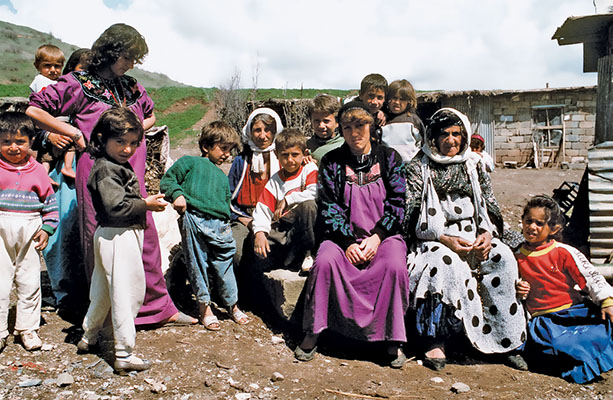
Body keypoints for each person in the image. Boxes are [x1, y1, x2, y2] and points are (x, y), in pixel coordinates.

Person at [26, 23, 194, 327]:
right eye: (127, 57)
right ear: (111, 53)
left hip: (134, 174)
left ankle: (159, 309)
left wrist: (137, 132)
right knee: (101, 241)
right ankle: (108, 313)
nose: (131, 65)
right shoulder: (78, 83)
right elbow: (35, 110)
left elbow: (150, 112)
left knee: (146, 240)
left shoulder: (131, 86)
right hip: (98, 174)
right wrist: (74, 131)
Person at [404, 108, 526, 371]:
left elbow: (490, 206)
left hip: (474, 235)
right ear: (433, 138)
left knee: (501, 257)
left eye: (456, 134)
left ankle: (506, 339)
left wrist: (486, 234)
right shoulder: (417, 167)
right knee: (444, 263)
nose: (451, 140)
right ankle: (436, 340)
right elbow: (410, 215)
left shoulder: (474, 165)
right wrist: (444, 239)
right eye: (444, 134)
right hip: (434, 238)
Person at [296, 101, 409, 368]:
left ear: (371, 126)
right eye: (347, 127)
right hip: (342, 238)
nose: (354, 132)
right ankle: (314, 331)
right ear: (341, 130)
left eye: (360, 125)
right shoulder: (332, 162)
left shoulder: (390, 158)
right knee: (323, 263)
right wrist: (347, 242)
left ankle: (392, 339)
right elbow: (329, 206)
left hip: (384, 237)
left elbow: (398, 202)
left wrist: (378, 236)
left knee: (394, 266)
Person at [77, 107, 167, 374]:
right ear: (102, 139)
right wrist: (145, 204)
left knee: (103, 291)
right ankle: (124, 353)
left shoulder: (113, 166)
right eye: (119, 142)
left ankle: (88, 337)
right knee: (127, 293)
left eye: (132, 143)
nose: (127, 149)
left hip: (114, 235)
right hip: (118, 235)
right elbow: (115, 207)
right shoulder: (107, 170)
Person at [159, 121, 250, 331]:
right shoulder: (189, 163)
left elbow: (225, 204)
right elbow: (168, 181)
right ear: (206, 147)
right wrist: (178, 195)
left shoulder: (221, 176)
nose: (227, 154)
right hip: (195, 219)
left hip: (220, 225)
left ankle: (232, 304)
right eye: (223, 148)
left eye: (229, 150)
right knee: (197, 264)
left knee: (224, 265)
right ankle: (204, 308)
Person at [516, 195, 613, 383]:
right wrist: (520, 288)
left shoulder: (563, 252)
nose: (532, 227)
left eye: (539, 223)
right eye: (528, 221)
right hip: (544, 321)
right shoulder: (517, 255)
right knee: (556, 344)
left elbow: (589, 276)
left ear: (554, 229)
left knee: (602, 328)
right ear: (522, 221)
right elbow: (513, 283)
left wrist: (606, 301)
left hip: (572, 313)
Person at [0, 112, 58, 351]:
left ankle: (27, 328)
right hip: (2, 225)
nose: (13, 147)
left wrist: (47, 229)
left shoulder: (38, 171)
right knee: (0, 281)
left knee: (29, 280)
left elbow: (51, 205)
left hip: (30, 226)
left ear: (31, 141)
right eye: (5, 142)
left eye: (20, 141)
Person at [252, 128, 318, 273]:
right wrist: (260, 233)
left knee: (308, 205)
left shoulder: (309, 169)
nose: (290, 160)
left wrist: (288, 199)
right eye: (284, 155)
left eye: (295, 155)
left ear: (304, 153)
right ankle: (288, 258)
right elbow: (263, 209)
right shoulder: (275, 180)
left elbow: (314, 193)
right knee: (259, 250)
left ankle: (308, 253)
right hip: (284, 229)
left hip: (306, 226)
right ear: (277, 155)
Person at [228, 108, 284, 270]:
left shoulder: (283, 157)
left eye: (268, 130)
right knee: (237, 252)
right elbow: (229, 195)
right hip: (245, 217)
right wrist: (243, 219)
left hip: (275, 218)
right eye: (257, 130)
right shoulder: (241, 161)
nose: (262, 135)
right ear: (249, 133)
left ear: (275, 132)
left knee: (269, 253)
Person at [29, 44, 78, 182]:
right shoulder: (41, 81)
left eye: (57, 66)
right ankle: (45, 174)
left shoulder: (59, 82)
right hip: (50, 120)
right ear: (37, 66)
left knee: (69, 144)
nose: (53, 70)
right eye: (47, 66)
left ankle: (66, 167)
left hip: (61, 120)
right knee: (47, 152)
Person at [380, 79, 425, 163]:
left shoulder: (413, 121)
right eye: (394, 98)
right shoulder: (383, 120)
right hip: (389, 168)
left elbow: (423, 144)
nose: (397, 102)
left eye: (402, 99)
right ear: (387, 98)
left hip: (411, 167)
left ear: (409, 101)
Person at [305, 94, 343, 163]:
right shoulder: (306, 146)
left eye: (326, 121)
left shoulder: (344, 147)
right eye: (317, 121)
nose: (321, 125)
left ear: (337, 122)